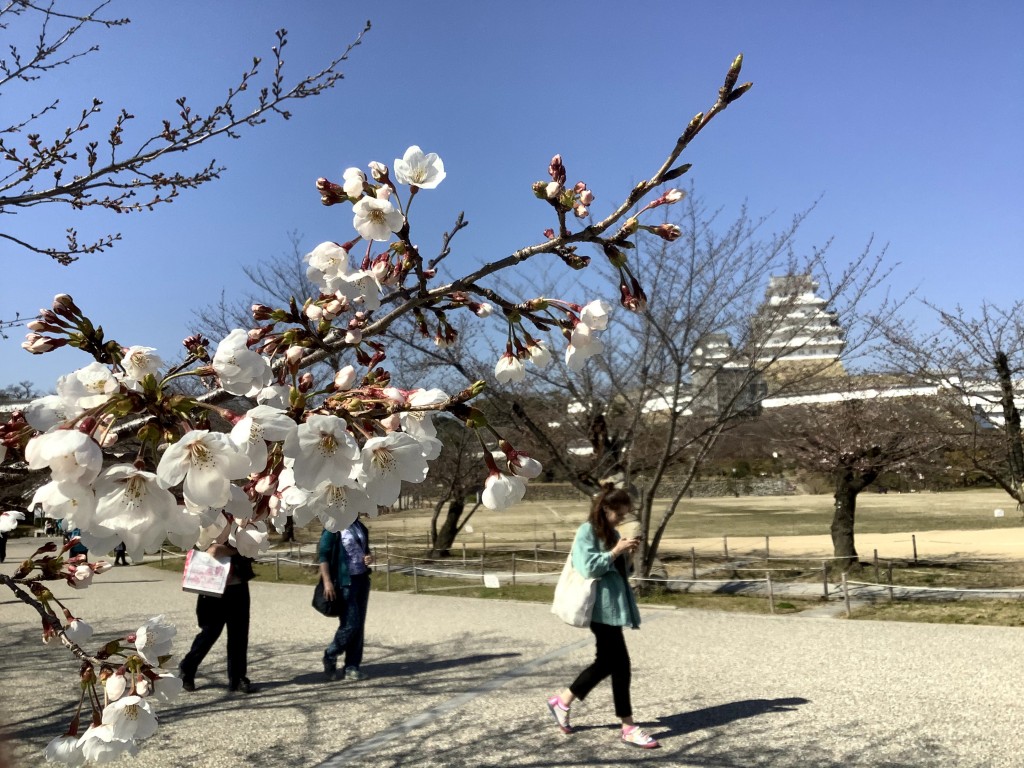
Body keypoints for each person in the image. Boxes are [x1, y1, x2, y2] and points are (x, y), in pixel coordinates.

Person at [545, 487, 660, 749]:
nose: (621, 519)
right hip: (598, 608)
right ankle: (628, 726)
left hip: (614, 607)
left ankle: (562, 701)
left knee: (607, 663)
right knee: (621, 665)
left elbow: (622, 572)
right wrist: (615, 551)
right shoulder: (587, 531)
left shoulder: (614, 534)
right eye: (618, 514)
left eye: (624, 515)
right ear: (605, 509)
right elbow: (587, 567)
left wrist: (627, 554)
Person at [178, 541, 256, 693]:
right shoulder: (206, 520)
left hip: (238, 585)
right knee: (209, 632)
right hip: (210, 585)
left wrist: (230, 550)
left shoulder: (245, 521)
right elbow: (201, 548)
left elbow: (252, 549)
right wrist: (213, 549)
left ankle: (238, 677)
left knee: (239, 634)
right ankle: (187, 668)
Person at [318, 516, 374, 681]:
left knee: (359, 626)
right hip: (344, 582)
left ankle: (352, 666)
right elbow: (323, 555)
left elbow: (365, 549)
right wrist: (327, 582)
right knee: (351, 624)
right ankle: (331, 654)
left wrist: (368, 557)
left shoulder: (359, 526)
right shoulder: (333, 526)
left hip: (362, 579)